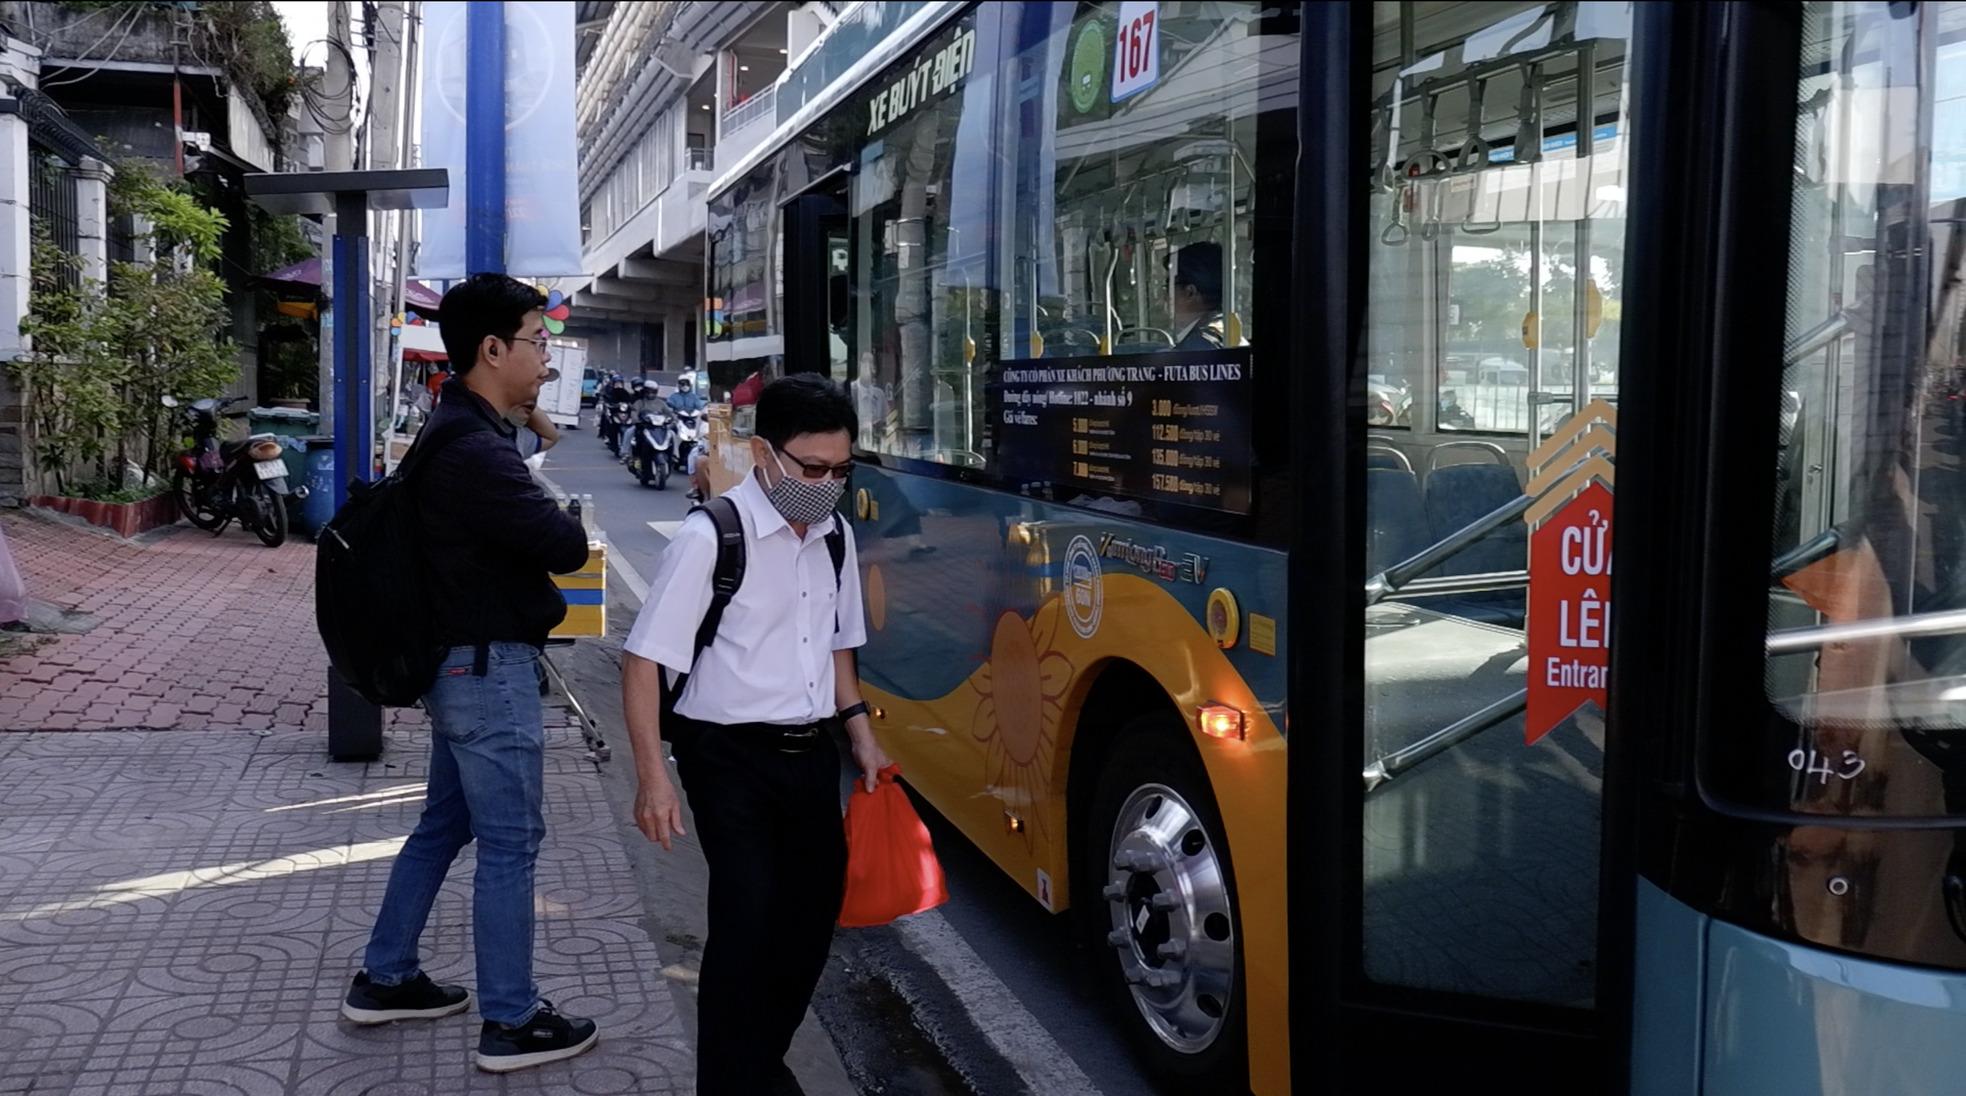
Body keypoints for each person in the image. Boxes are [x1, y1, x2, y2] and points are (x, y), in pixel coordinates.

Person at [340, 272, 600, 1074]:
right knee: (512, 843)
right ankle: (513, 1021)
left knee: (443, 826)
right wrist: (558, 507)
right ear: (493, 348)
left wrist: (524, 416)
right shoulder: (476, 452)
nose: (547, 358)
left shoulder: (457, 426)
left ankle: (386, 978)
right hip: (486, 673)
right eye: (536, 341)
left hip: (459, 669)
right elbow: (561, 547)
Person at [619, 372, 893, 1096]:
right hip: (728, 760)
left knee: (807, 926)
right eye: (812, 468)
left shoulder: (835, 536)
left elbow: (838, 644)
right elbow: (643, 662)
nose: (827, 484)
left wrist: (859, 730)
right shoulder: (712, 537)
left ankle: (758, 1067)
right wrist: (652, 778)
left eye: (842, 470)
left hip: (811, 759)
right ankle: (735, 1083)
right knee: (746, 923)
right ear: (764, 454)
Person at [1169, 241, 1227, 351]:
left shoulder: (1197, 344)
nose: (1165, 297)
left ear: (1189, 292)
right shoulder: (1225, 329)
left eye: (1168, 287)